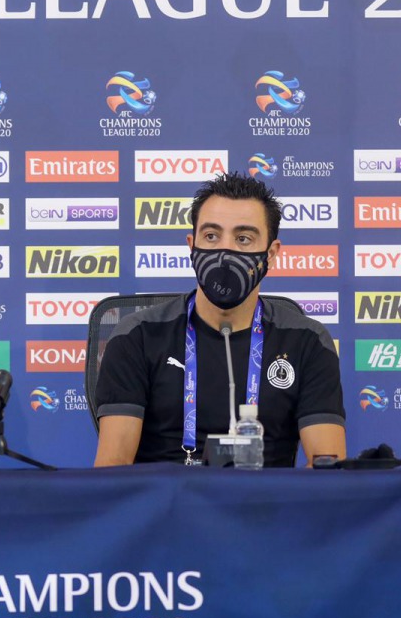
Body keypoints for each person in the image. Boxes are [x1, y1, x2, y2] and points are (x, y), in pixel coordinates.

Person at [94, 172, 346, 467]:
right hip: (168, 507)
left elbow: (327, 468)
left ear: (272, 254)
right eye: (211, 236)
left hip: (266, 508)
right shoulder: (137, 336)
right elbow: (113, 469)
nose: (224, 252)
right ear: (192, 245)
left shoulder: (307, 341)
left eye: (243, 239)